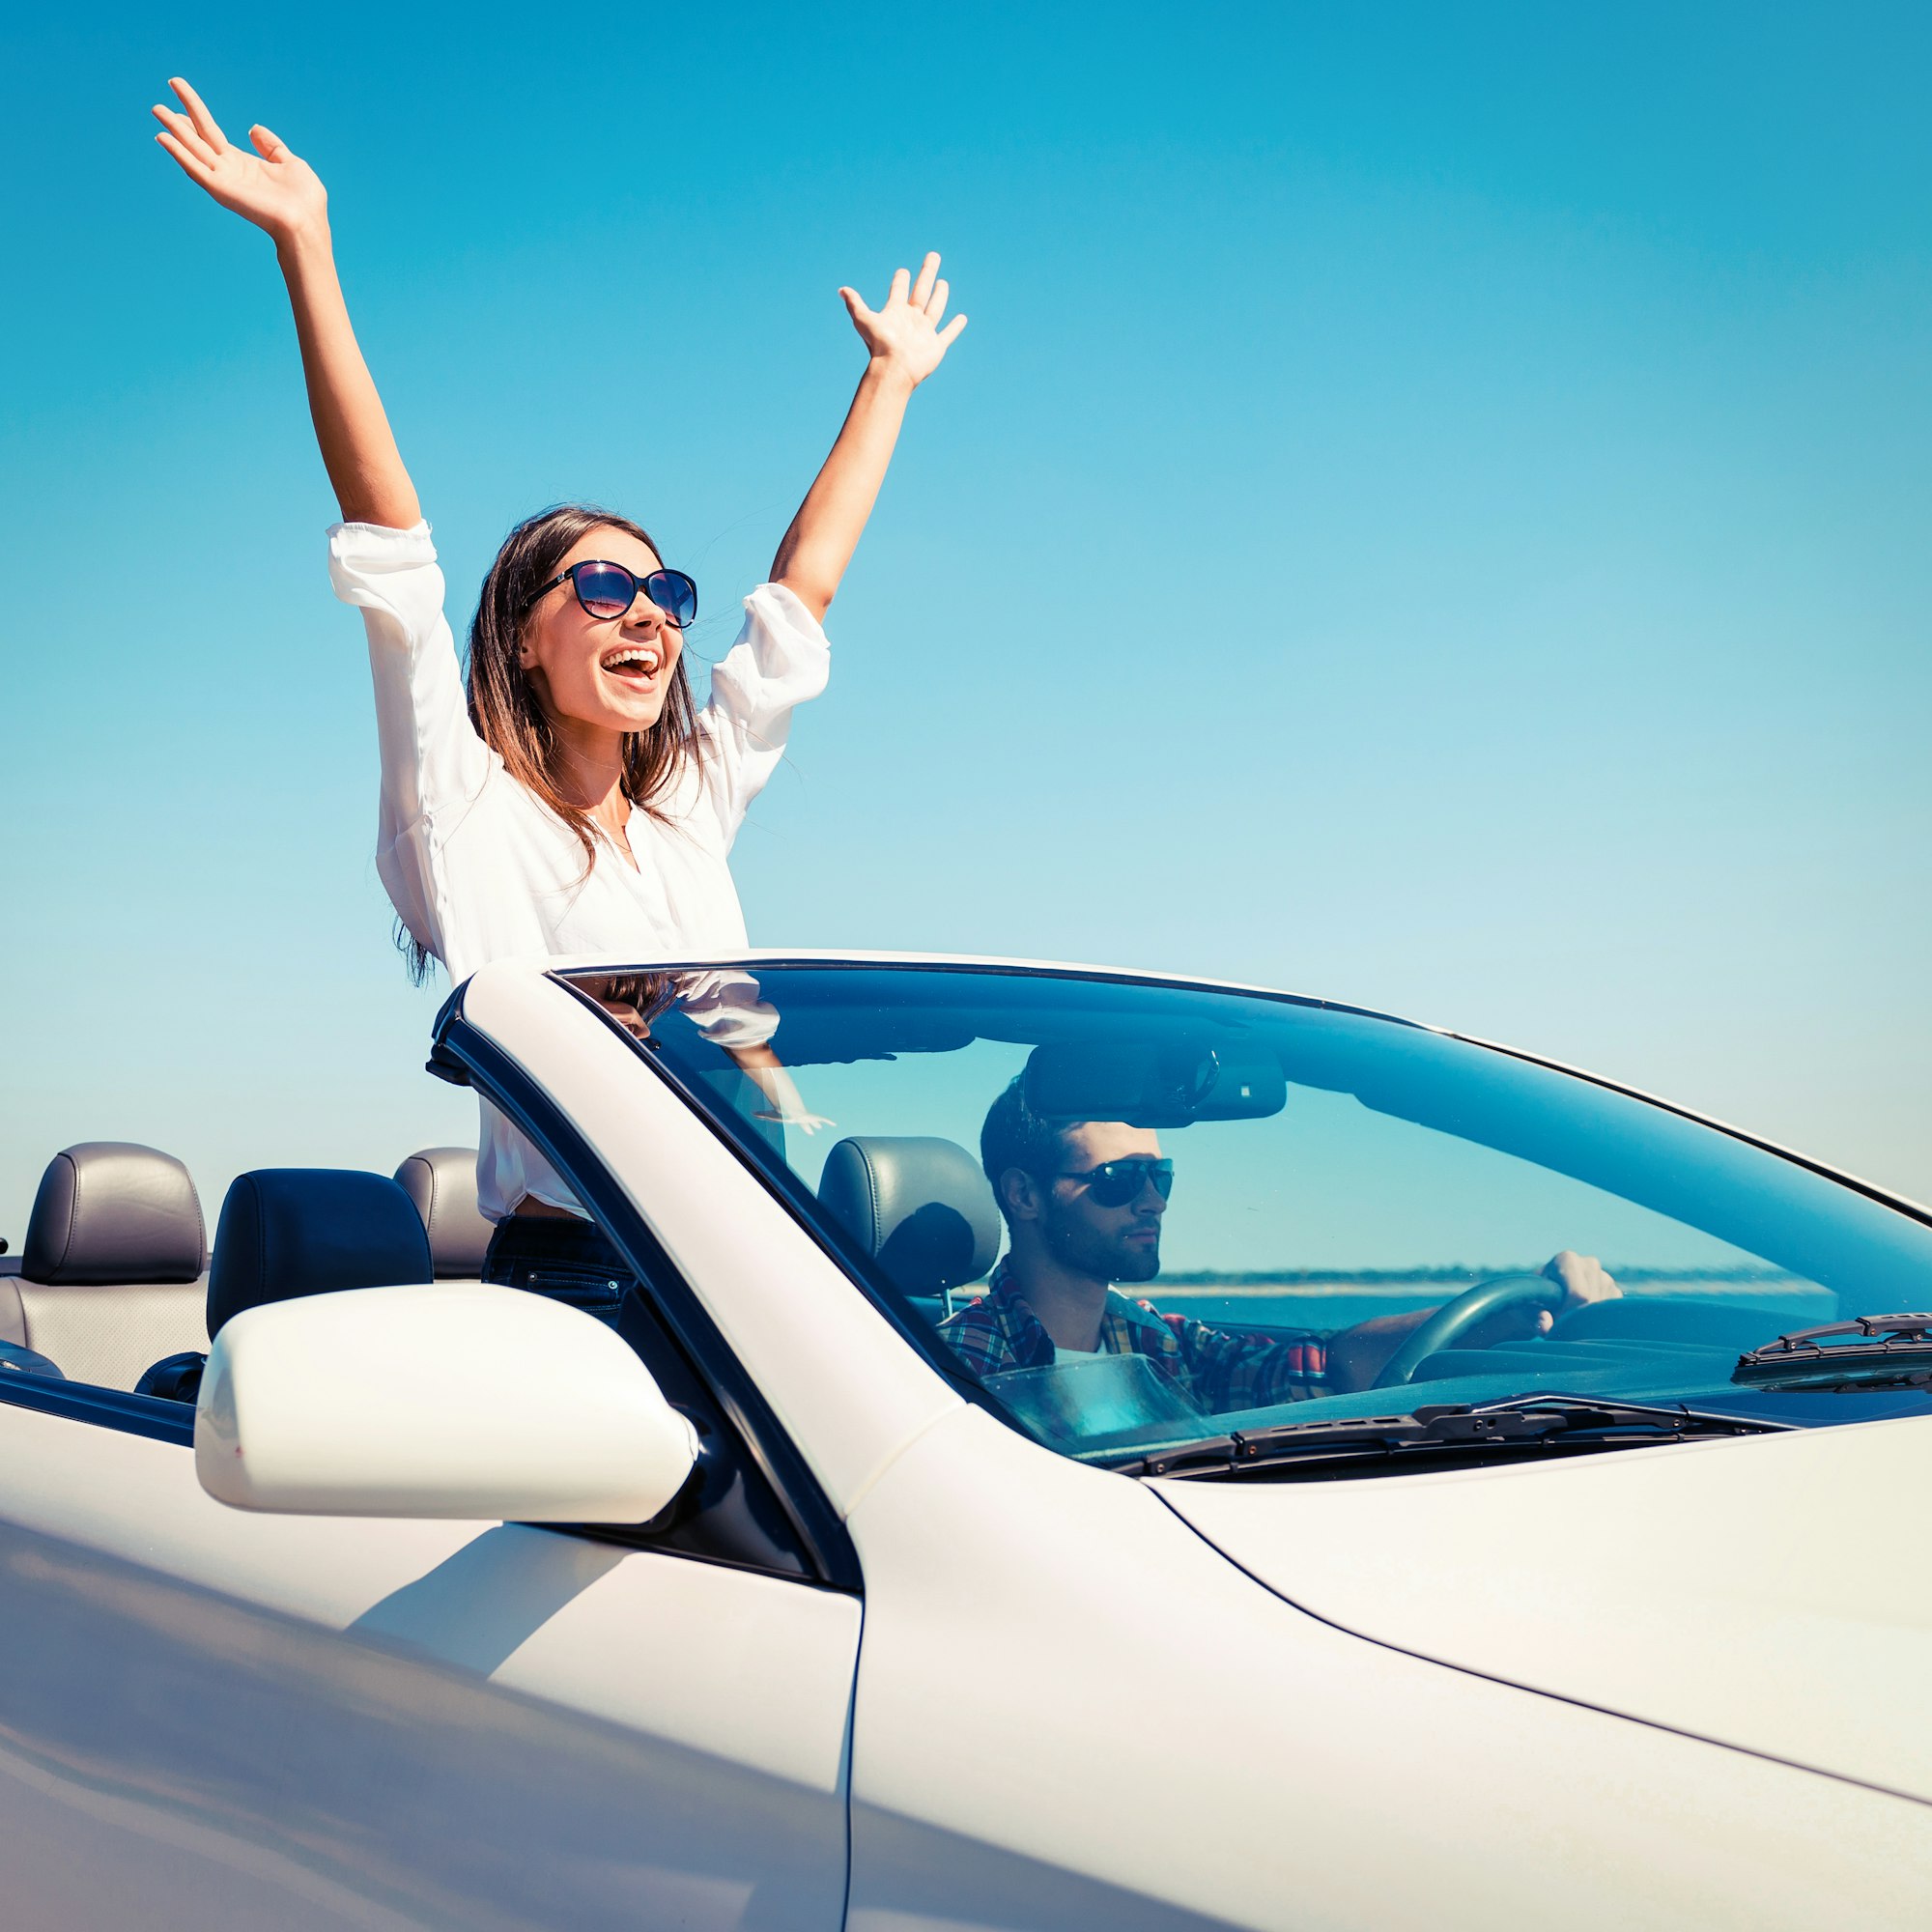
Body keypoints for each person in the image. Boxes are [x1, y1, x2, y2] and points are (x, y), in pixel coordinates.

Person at [153, 78, 961, 1299]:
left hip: (741, 1261)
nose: (645, 613)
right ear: (522, 637)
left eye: (663, 593)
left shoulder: (689, 809)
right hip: (578, 1274)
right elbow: (390, 541)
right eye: (597, 588)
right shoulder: (465, 811)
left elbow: (799, 599)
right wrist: (306, 248)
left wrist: (888, 384)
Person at [940, 1075, 1621, 1405]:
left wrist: (1502, 1318)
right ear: (1024, 1195)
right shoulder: (964, 1363)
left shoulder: (1156, 1343)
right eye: (1120, 1179)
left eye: (1161, 1175)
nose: (1152, 1199)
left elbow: (1318, 1366)